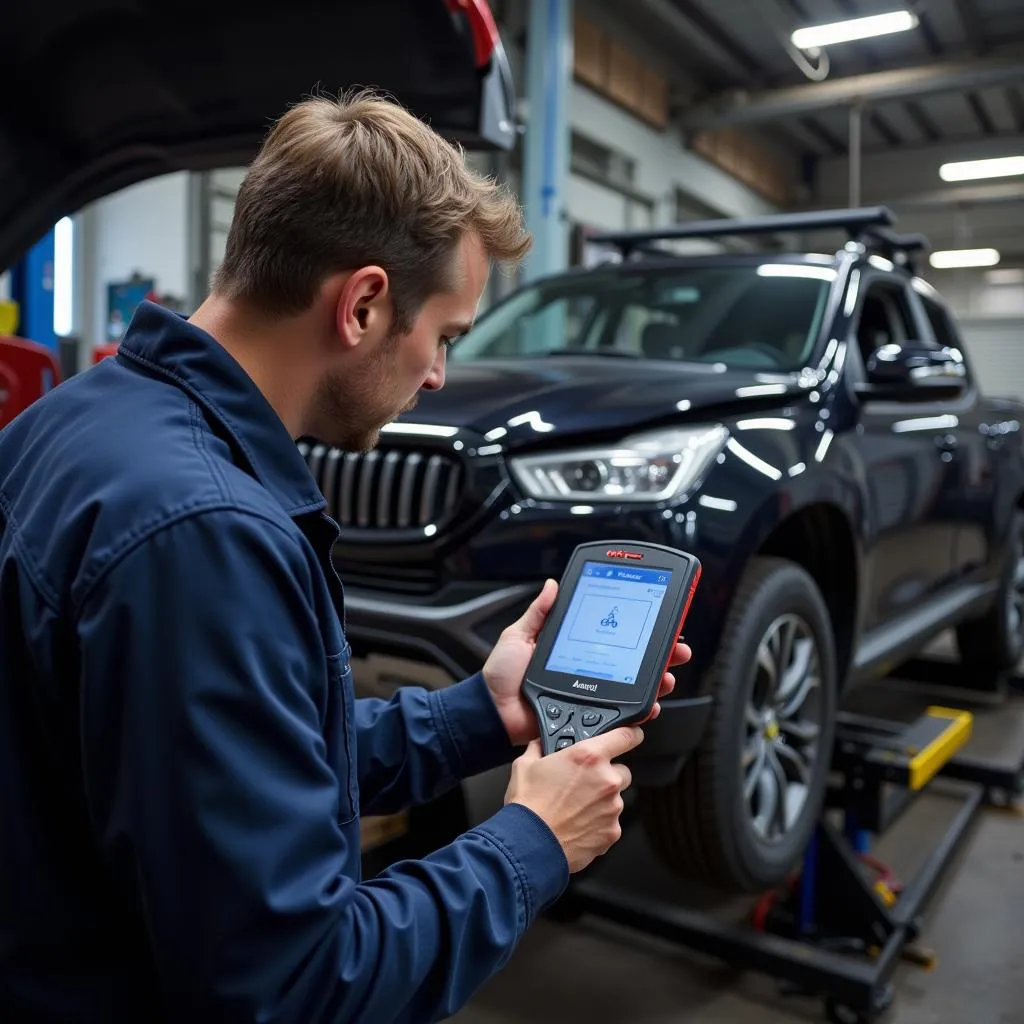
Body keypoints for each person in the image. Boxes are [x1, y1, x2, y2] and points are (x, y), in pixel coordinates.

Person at [0, 90, 691, 1023]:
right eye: (443, 335)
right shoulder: (208, 534)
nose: (440, 374)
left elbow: (236, 769)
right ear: (364, 303)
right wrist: (533, 839)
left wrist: (481, 713)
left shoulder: (74, 420)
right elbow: (296, 987)